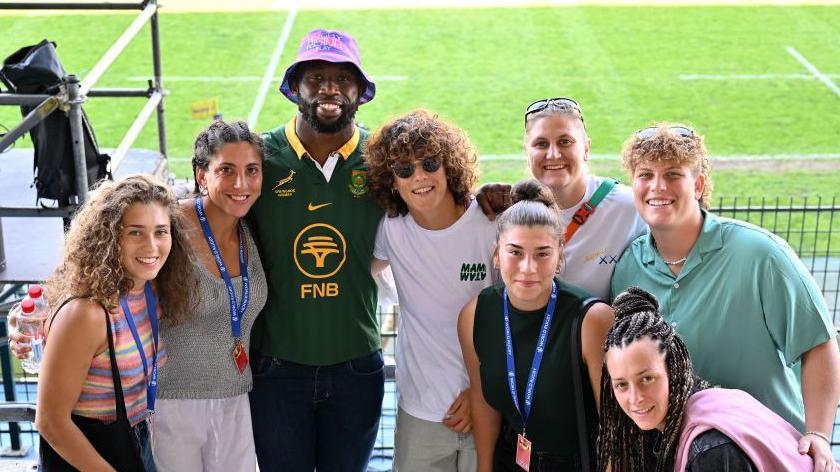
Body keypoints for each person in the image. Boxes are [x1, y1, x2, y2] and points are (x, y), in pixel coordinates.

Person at [610, 123, 840, 470]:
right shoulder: (629, 266)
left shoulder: (760, 254)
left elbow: (818, 344)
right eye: (646, 175)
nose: (658, 186)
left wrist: (819, 434)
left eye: (673, 174)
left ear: (699, 185)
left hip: (763, 453)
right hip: (687, 456)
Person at [246, 29, 385, 471]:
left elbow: (441, 198)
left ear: (360, 92)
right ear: (295, 89)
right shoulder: (259, 156)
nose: (330, 88)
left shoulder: (383, 158)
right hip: (275, 369)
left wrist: (491, 198)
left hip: (356, 368)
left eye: (343, 79)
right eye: (317, 77)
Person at [34, 174, 197, 471]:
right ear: (109, 237)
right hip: (89, 451)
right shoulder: (88, 313)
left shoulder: (151, 289)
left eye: (161, 231)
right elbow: (50, 421)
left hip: (138, 438)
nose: (151, 246)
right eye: (135, 232)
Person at [366, 110, 496, 471]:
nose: (419, 176)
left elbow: (512, 319)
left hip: (486, 407)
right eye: (404, 170)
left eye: (429, 163)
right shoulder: (390, 230)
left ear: (448, 165)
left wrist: (481, 393)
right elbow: (365, 271)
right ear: (392, 181)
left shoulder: (490, 224)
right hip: (418, 412)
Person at [459, 179, 614, 472]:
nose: (528, 267)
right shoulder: (475, 314)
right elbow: (482, 401)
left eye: (542, 253)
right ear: (496, 253)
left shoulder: (592, 320)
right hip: (511, 460)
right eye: (515, 252)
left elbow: (615, 426)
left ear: (559, 257)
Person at [153, 120, 268, 471]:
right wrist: (38, 315)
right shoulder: (167, 226)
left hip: (235, 398)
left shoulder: (251, 227)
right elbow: (103, 276)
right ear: (202, 176)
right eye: (226, 171)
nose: (241, 184)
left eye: (252, 171)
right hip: (173, 403)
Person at [599, 286, 814, 472]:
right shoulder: (713, 401)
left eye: (646, 379)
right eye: (621, 384)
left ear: (674, 370)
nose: (635, 397)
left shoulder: (711, 450)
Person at [479, 97, 646, 300]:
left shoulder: (630, 207)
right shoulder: (507, 210)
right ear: (527, 151)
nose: (554, 154)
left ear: (586, 148)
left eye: (565, 142)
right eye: (541, 144)